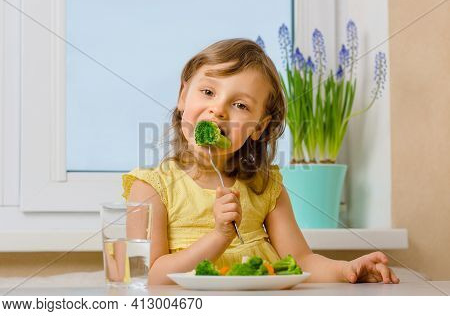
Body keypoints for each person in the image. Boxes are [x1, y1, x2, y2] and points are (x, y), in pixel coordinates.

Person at [122, 38, 400, 285]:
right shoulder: (151, 188)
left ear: (259, 126)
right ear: (183, 96)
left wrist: (346, 270)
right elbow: (149, 275)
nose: (218, 109)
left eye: (240, 105)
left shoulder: (265, 188)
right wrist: (219, 236)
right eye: (208, 92)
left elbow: (302, 260)